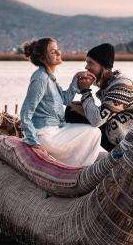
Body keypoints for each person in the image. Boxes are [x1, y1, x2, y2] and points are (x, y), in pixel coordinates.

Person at [20, 37, 102, 167]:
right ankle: (79, 168)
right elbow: (25, 113)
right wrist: (33, 141)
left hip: (56, 129)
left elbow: (65, 99)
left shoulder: (50, 77)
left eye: (57, 49)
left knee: (94, 131)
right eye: (53, 52)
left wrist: (76, 79)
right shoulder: (40, 79)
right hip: (45, 134)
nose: (58, 53)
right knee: (94, 132)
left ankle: (75, 165)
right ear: (42, 58)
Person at [65, 43, 133, 151]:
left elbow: (97, 120)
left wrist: (85, 91)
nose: (86, 67)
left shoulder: (122, 86)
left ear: (103, 66)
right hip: (114, 130)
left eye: (90, 63)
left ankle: (75, 153)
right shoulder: (109, 84)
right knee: (72, 107)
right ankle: (75, 151)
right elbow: (105, 114)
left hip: (130, 143)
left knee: (72, 112)